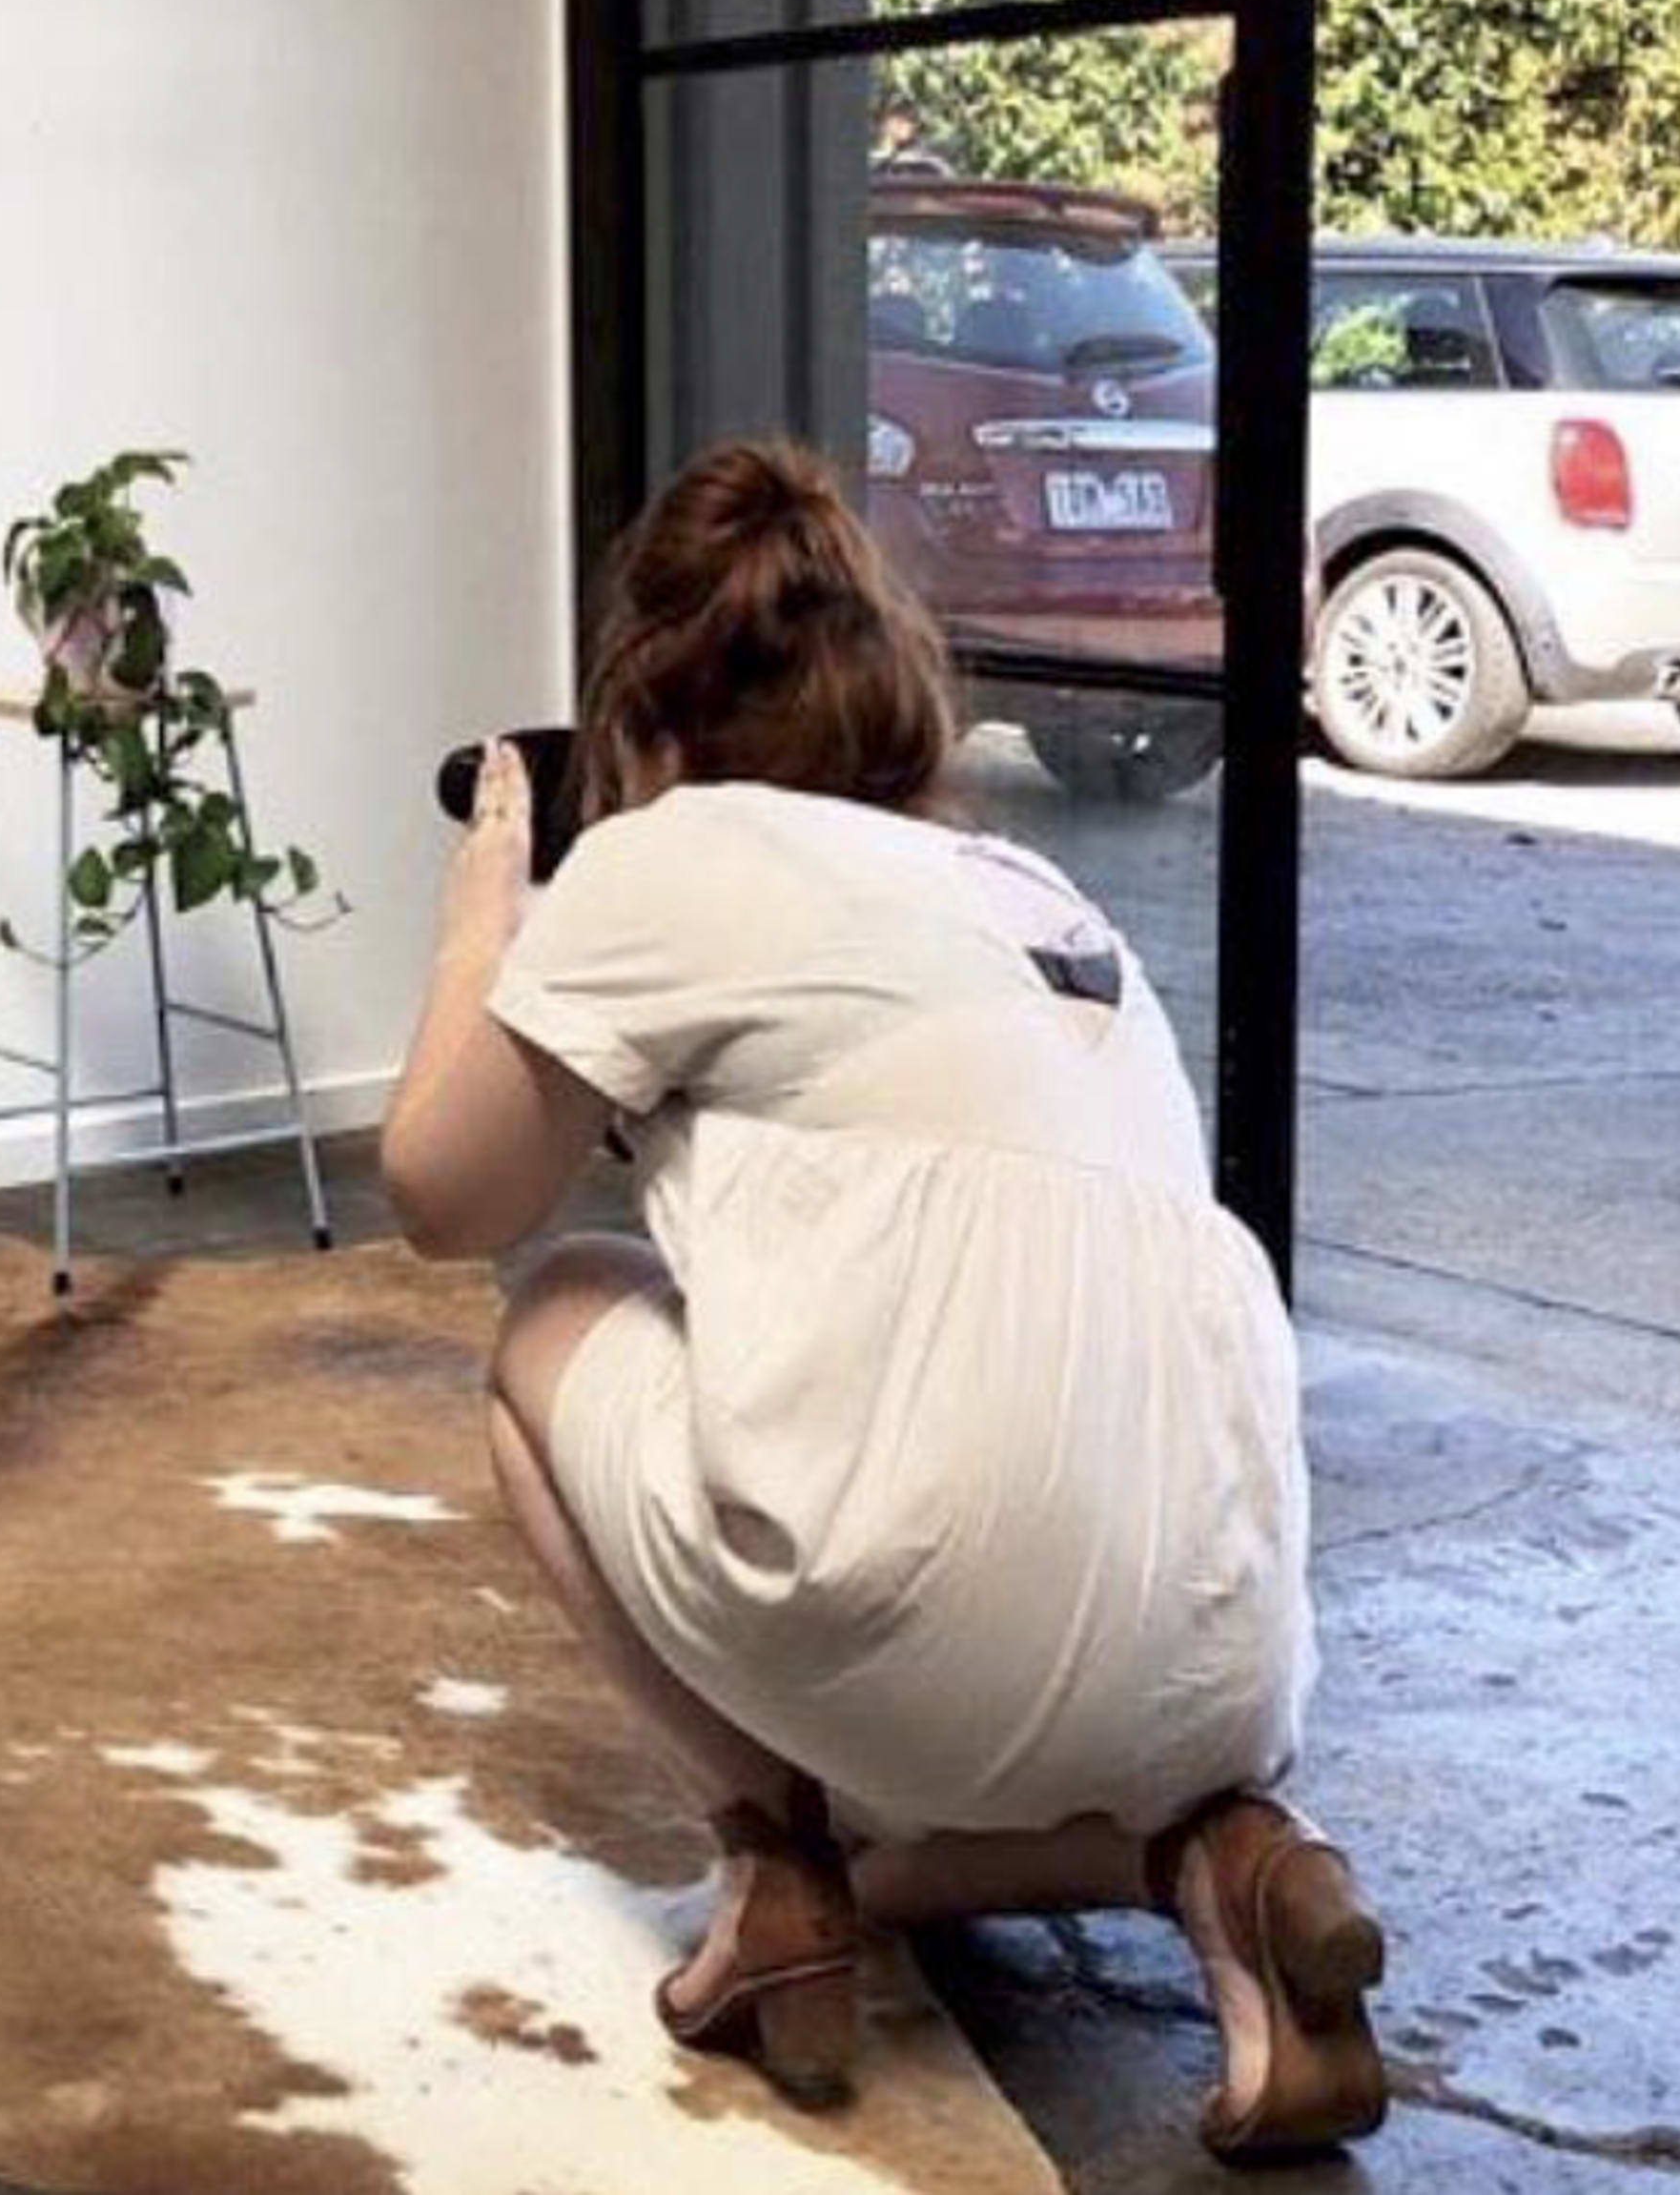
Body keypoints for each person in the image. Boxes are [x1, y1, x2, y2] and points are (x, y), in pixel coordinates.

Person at [380, 438, 1386, 2159]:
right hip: (1230, 1649)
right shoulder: (1045, 898)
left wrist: (489, 907)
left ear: (645, 723)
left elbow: (440, 1190)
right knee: (954, 1805)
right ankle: (1222, 1857)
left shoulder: (673, 849)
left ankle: (769, 1861)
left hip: (916, 1608)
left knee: (550, 1313)